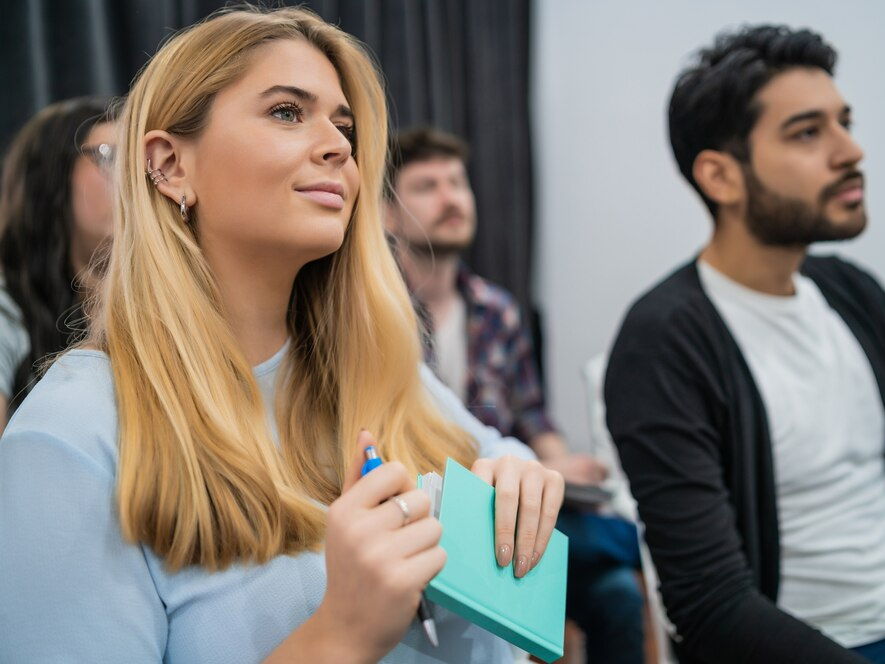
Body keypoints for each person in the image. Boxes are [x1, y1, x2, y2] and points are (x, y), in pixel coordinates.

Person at [0, 7, 564, 663]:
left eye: (343, 126)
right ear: (169, 165)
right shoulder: (71, 435)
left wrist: (519, 478)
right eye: (287, 113)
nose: (339, 147)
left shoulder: (376, 368)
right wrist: (340, 636)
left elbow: (499, 451)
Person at [604, 24, 885, 664]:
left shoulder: (852, 293)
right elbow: (711, 606)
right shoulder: (664, 341)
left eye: (846, 122)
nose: (852, 152)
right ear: (721, 177)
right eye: (809, 133)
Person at [385, 127, 645, 664]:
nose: (450, 197)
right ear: (389, 214)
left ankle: (631, 543)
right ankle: (644, 542)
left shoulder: (498, 310)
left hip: (506, 500)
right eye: (427, 186)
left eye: (457, 183)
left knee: (617, 594)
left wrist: (558, 466)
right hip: (426, 514)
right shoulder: (376, 314)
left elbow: (531, 416)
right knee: (607, 546)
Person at [0, 96, 117, 429]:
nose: (136, 180)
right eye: (111, 157)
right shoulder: (7, 309)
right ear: (52, 176)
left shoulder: (159, 297)